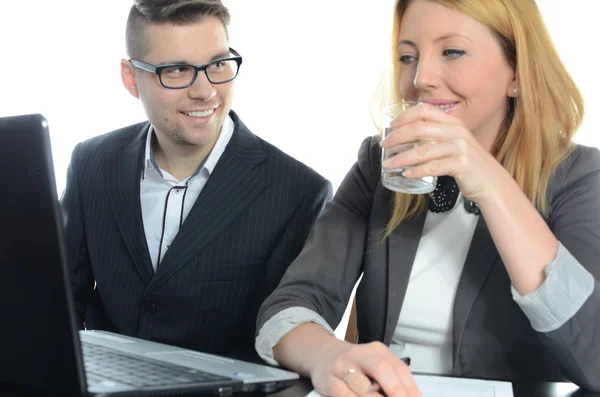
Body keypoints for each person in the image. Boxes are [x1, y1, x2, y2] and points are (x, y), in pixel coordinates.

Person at [255, 0, 600, 395]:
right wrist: (327, 357)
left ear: (517, 74)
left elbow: (594, 359)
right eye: (408, 56)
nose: (421, 78)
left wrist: (489, 182)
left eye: (452, 51)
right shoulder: (379, 162)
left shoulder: (578, 176)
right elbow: (285, 311)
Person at [61, 0, 331, 362]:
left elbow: (281, 343)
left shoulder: (299, 193)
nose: (205, 91)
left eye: (218, 64)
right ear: (131, 78)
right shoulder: (91, 163)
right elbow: (62, 301)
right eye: (176, 70)